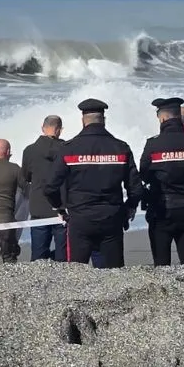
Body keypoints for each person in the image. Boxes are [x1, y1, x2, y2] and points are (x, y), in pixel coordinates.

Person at [44, 98, 144, 267]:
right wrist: (129, 208)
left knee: (77, 274)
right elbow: (136, 188)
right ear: (103, 119)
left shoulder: (69, 149)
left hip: (80, 218)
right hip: (112, 218)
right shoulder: (121, 148)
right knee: (114, 274)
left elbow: (50, 187)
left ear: (83, 120)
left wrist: (60, 207)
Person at [141, 97, 184, 265]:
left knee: (161, 263)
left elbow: (144, 174)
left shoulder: (153, 144)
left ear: (162, 118)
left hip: (161, 210)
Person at [21, 115, 67, 262]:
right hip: (62, 207)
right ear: (59, 130)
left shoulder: (29, 150)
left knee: (38, 257)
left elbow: (26, 177)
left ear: (43, 128)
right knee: (64, 256)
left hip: (38, 206)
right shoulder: (66, 149)